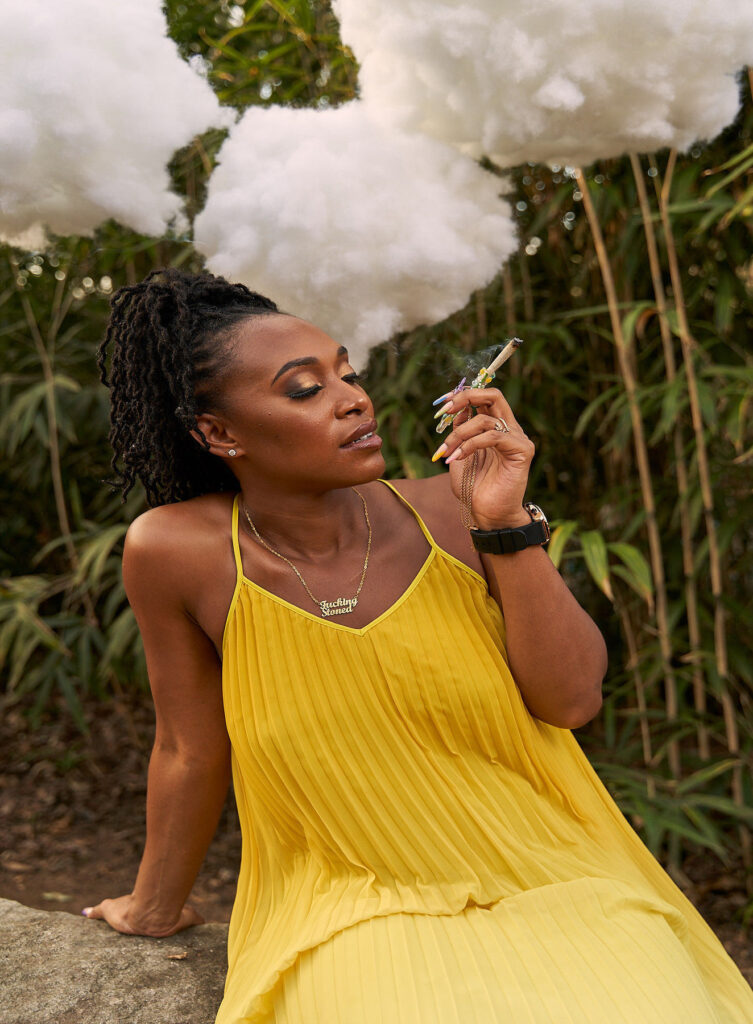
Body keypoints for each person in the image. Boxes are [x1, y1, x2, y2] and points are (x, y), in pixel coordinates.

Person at [84, 267, 753, 1023]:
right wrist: (152, 907)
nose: (353, 399)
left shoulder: (454, 509)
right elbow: (187, 748)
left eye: (348, 374)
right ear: (219, 433)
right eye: (304, 389)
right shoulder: (178, 552)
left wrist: (504, 523)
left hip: (565, 884)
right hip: (351, 913)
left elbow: (570, 700)